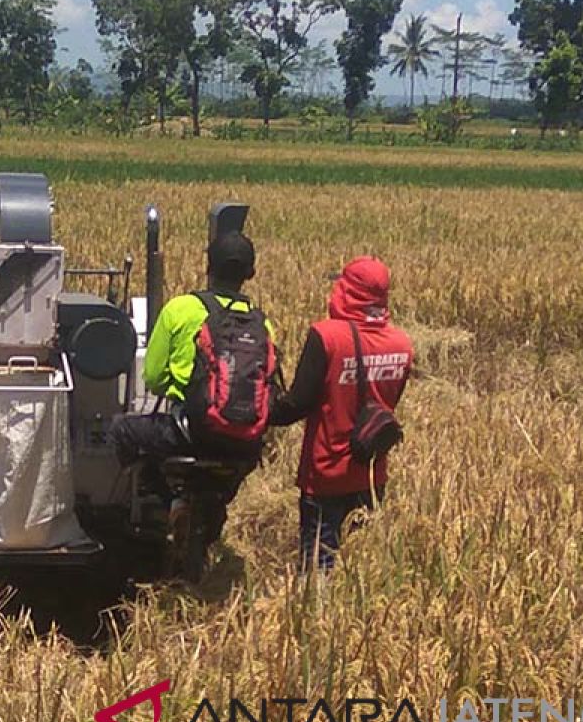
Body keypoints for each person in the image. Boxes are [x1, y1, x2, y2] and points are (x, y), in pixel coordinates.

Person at [110, 231, 277, 533]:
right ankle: (215, 508)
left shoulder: (180, 308)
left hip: (191, 432)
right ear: (249, 274)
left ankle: (162, 501)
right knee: (237, 466)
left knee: (121, 430)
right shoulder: (261, 323)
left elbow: (155, 378)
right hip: (243, 441)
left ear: (208, 267)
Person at [270, 256, 413, 571]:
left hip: (326, 474)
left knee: (318, 573)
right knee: (359, 572)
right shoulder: (402, 344)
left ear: (349, 292)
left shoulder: (327, 336)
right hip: (372, 475)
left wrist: (261, 409)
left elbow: (298, 403)